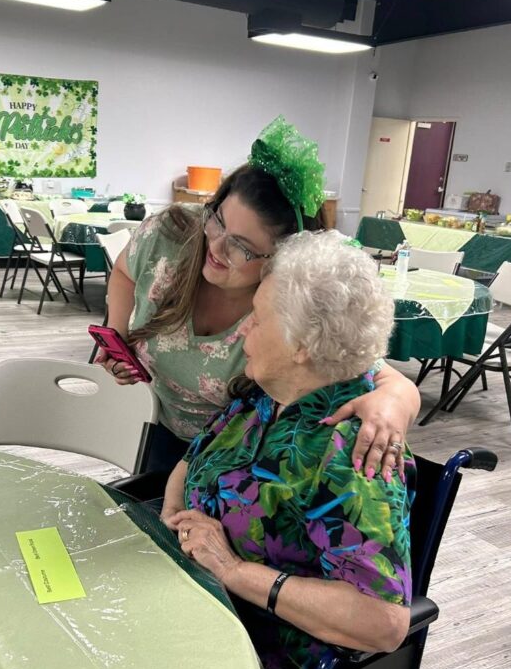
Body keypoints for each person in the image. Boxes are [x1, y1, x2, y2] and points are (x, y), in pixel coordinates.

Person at [160, 231, 411, 669]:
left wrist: (233, 570)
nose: (241, 331)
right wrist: (173, 519)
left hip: (264, 664)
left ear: (302, 344)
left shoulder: (351, 451)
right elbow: (190, 461)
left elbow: (383, 622)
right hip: (192, 611)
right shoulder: (261, 395)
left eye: (256, 318)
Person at [97, 117, 420, 476]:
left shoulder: (290, 302)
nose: (216, 246)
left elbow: (380, 376)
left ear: (280, 261)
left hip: (234, 458)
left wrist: (393, 404)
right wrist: (118, 336)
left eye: (242, 247)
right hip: (157, 421)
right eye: (218, 220)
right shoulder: (171, 237)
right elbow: (125, 272)